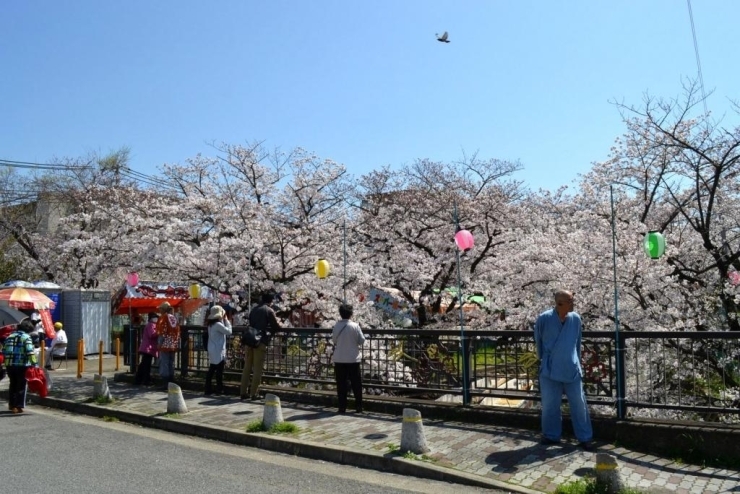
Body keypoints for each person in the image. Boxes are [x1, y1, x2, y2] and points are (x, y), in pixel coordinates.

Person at [534, 289, 593, 450]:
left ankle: (585, 437)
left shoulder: (576, 319)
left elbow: (578, 343)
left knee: (579, 404)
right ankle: (551, 435)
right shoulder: (544, 318)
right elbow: (538, 341)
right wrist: (543, 360)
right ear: (559, 303)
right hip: (550, 369)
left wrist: (577, 362)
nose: (573, 303)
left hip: (572, 368)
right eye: (570, 301)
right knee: (550, 405)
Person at [240, 293, 281, 400]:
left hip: (250, 340)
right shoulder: (269, 310)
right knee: (258, 368)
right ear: (271, 301)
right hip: (260, 341)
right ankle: (254, 393)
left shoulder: (254, 309)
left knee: (247, 367)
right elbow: (276, 326)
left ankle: (243, 392)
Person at [332, 303, 366, 414]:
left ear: (340, 314)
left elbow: (334, 341)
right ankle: (359, 406)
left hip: (339, 358)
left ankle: (342, 407)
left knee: (341, 384)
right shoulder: (355, 326)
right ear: (351, 314)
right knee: (356, 383)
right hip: (353, 358)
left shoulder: (336, 326)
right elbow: (361, 340)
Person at [2, 319, 38, 413]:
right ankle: (18, 406)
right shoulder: (26, 337)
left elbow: (4, 350)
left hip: (9, 364)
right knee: (21, 385)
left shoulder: (10, 336)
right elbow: (30, 352)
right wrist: (34, 363)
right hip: (22, 365)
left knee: (12, 384)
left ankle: (11, 405)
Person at [204, 305, 232, 396]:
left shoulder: (211, 324)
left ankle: (208, 388)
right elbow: (228, 331)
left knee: (212, 369)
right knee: (219, 371)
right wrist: (226, 320)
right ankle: (219, 389)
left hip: (212, 348)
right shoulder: (218, 324)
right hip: (218, 350)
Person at [156, 302, 181, 387]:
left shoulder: (163, 318)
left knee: (164, 363)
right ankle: (171, 380)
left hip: (165, 343)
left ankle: (165, 382)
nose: (159, 310)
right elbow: (177, 330)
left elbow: (162, 332)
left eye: (160, 309)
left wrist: (159, 343)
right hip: (173, 343)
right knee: (171, 362)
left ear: (163, 309)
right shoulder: (173, 317)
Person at [134, 312, 158, 386]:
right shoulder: (151, 325)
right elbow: (152, 335)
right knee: (146, 365)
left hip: (147, 347)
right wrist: (159, 332)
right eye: (156, 317)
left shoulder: (150, 324)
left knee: (143, 364)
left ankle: (139, 379)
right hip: (148, 348)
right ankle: (146, 380)